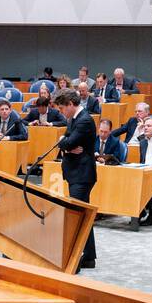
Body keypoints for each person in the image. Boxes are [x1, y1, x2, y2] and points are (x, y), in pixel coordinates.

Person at [53, 89, 97, 268]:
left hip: (82, 174)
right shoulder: (74, 119)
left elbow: (67, 142)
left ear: (71, 104)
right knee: (83, 216)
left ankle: (75, 260)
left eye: (63, 108)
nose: (62, 112)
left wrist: (66, 144)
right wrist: (66, 144)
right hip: (75, 172)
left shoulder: (85, 120)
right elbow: (64, 141)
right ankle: (88, 257)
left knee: (76, 217)